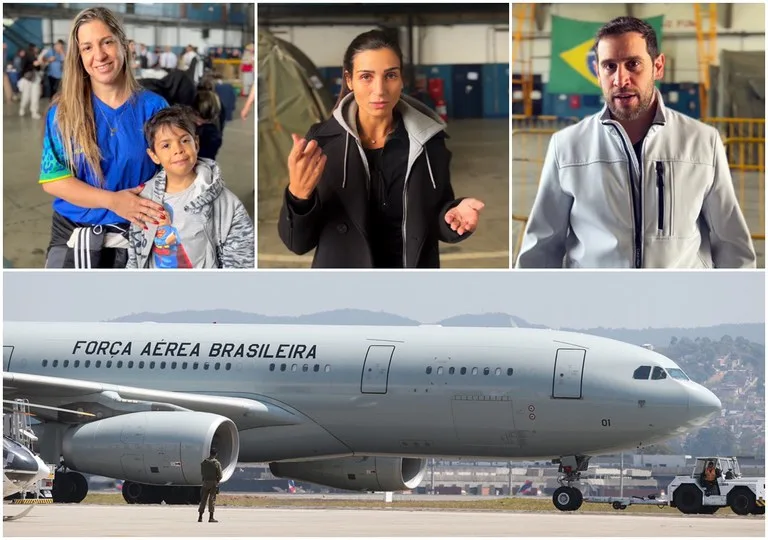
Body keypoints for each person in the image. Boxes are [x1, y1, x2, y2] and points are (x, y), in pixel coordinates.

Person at [515, 16, 756, 269]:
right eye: (610, 66)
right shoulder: (567, 146)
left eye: (633, 64)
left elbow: (732, 245)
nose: (621, 79)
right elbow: (541, 249)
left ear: (658, 66)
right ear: (597, 71)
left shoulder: (703, 142)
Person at [277, 29, 485, 268]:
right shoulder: (322, 142)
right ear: (349, 80)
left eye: (390, 75)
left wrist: (454, 217)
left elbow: (434, 215)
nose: (380, 89)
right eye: (366, 76)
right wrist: (298, 197)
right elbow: (297, 243)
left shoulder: (429, 141)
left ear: (401, 79)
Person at [38, 7, 169, 268]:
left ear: (123, 45)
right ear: (79, 57)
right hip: (73, 234)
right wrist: (113, 201)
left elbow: (175, 172)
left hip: (139, 233)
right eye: (87, 48)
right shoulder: (63, 113)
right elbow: (54, 181)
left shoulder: (154, 108)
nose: (99, 55)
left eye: (106, 42)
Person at [126, 106, 254, 269]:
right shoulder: (145, 201)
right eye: (166, 146)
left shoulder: (227, 204)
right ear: (154, 156)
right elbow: (135, 255)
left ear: (196, 143)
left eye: (185, 140)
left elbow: (241, 261)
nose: (178, 150)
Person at [198, 447, 222, 523]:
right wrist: (217, 481)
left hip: (205, 482)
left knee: (203, 500)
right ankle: (211, 517)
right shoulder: (216, 463)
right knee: (212, 500)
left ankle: (200, 517)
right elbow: (220, 475)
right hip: (213, 483)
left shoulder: (204, 462)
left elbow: (202, 473)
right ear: (216, 454)